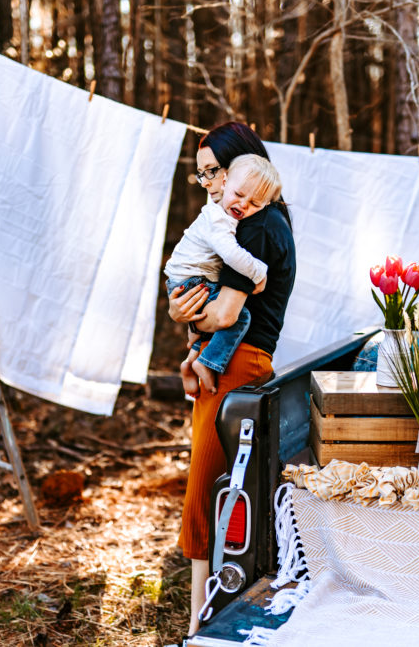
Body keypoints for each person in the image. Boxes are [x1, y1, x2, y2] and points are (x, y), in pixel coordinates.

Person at [167, 122, 296, 636]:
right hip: (232, 363)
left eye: (215, 173)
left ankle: (202, 624)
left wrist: (185, 318)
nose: (212, 187)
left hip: (240, 363)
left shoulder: (258, 227)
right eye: (202, 177)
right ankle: (202, 616)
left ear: (243, 167)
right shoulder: (248, 223)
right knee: (211, 487)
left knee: (207, 491)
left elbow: (224, 315)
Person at [164, 154, 282, 396]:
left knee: (216, 318)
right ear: (226, 181)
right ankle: (205, 363)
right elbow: (231, 254)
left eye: (255, 204)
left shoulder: (233, 217)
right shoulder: (216, 218)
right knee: (241, 317)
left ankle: (191, 361)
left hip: (191, 278)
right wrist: (259, 273)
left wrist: (190, 322)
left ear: (266, 206)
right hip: (191, 280)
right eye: (239, 195)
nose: (243, 205)